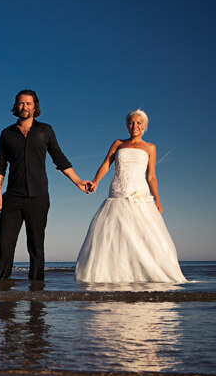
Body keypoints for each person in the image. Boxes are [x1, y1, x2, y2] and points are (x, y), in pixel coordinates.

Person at [75, 109, 187, 283]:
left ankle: (144, 276)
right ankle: (113, 276)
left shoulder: (150, 147)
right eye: (131, 123)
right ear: (127, 125)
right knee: (114, 235)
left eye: (138, 123)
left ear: (144, 126)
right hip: (117, 192)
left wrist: (157, 200)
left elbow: (151, 176)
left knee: (143, 236)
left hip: (139, 193)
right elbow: (106, 165)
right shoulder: (118, 143)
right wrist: (96, 181)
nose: (134, 126)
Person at [0, 90, 90, 282]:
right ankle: (2, 290)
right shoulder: (7, 134)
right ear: (16, 106)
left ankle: (37, 292)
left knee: (36, 246)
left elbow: (59, 158)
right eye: (21, 103)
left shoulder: (45, 131)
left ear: (35, 106)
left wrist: (78, 181)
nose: (25, 107)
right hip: (12, 196)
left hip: (38, 197)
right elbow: (0, 164)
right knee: (5, 244)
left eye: (29, 103)